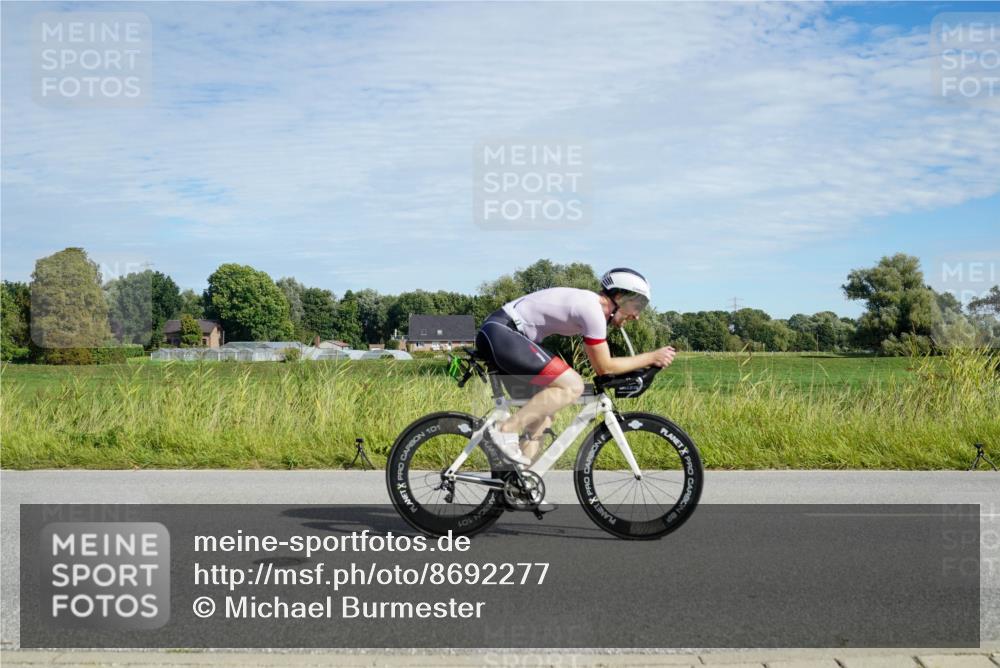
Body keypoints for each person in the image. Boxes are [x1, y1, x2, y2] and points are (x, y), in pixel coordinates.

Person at [475, 268, 677, 465]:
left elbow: (603, 364)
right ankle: (505, 430)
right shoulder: (593, 310)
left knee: (541, 419)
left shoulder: (591, 307)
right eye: (638, 305)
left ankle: (518, 486)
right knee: (573, 386)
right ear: (619, 296)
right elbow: (604, 367)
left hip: (505, 334)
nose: (637, 315)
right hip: (503, 332)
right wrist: (652, 357)